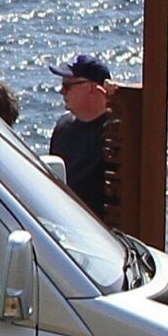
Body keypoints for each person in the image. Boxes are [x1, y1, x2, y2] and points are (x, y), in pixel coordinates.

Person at [47, 53, 117, 219]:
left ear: (92, 88)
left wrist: (118, 93)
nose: (61, 91)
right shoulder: (63, 127)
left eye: (68, 86)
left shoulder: (116, 131)